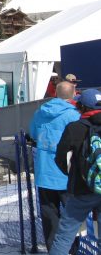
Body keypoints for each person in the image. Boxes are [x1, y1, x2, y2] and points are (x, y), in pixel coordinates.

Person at [29, 81, 80, 251]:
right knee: (72, 214)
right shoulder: (72, 115)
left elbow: (34, 133)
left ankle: (54, 249)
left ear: (56, 94)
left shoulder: (40, 112)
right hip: (67, 173)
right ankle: (71, 248)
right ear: (72, 94)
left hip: (44, 170)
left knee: (49, 213)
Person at [50, 89, 101, 255]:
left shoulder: (74, 128)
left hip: (81, 190)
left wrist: (73, 175)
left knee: (65, 236)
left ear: (81, 107)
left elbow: (60, 158)